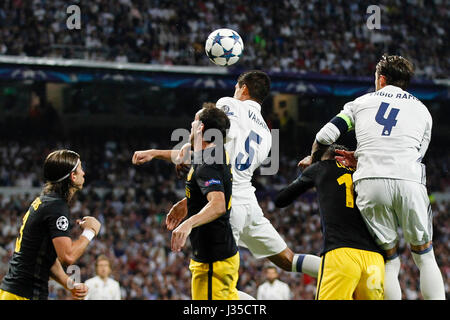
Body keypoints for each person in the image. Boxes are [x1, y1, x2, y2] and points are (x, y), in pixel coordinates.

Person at [133, 70, 321, 278]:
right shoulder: (267, 134)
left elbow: (211, 139)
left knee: (214, 283)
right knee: (288, 259)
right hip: (249, 203)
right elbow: (225, 164)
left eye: (235, 88)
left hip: (228, 208)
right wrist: (188, 198)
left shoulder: (231, 105)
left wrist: (175, 149)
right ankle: (339, 273)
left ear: (243, 88)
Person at [300, 54, 445, 300]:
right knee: (424, 256)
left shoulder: (361, 103)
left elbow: (325, 136)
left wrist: (314, 161)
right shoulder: (423, 111)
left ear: (381, 79)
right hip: (408, 181)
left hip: (369, 183)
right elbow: (416, 154)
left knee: (390, 260)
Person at [276, 144, 385, 300]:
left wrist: (309, 171)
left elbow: (281, 199)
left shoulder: (320, 167)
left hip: (342, 253)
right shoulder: (363, 171)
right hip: (374, 259)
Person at [0, 149, 101, 300]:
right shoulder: (56, 207)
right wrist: (90, 231)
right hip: (25, 293)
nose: (84, 173)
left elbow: (47, 259)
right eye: (80, 168)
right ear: (73, 176)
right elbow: (68, 256)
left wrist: (70, 284)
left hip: (16, 291)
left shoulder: (45, 202)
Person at [169, 103, 239, 300]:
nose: (190, 124)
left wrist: (188, 223)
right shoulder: (217, 153)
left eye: (194, 120)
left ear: (200, 128)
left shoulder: (206, 164)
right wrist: (187, 203)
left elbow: (218, 204)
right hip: (223, 254)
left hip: (212, 262)